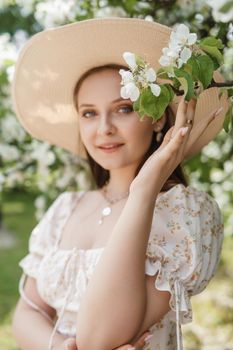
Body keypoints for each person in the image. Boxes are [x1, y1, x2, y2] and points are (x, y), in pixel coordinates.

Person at [11, 17, 229, 350]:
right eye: (88, 113)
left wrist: (143, 191)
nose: (104, 128)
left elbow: (102, 338)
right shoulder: (67, 208)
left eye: (123, 109)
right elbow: (26, 312)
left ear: (157, 118)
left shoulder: (185, 214)